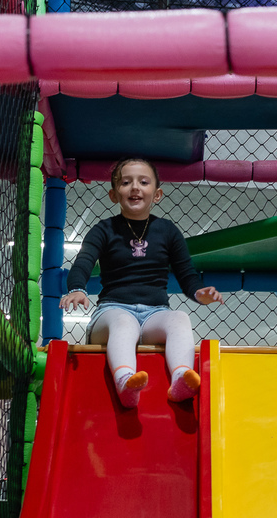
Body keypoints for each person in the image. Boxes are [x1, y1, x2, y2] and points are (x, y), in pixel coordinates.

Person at [60, 157, 223, 408]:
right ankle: (125, 381)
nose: (135, 187)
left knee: (179, 318)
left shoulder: (167, 231)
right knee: (124, 323)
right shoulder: (103, 230)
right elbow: (83, 262)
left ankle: (181, 379)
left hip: (155, 313)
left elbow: (186, 273)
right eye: (126, 182)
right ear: (114, 195)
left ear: (156, 194)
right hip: (111, 311)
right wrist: (77, 289)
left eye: (143, 182)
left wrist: (199, 292)